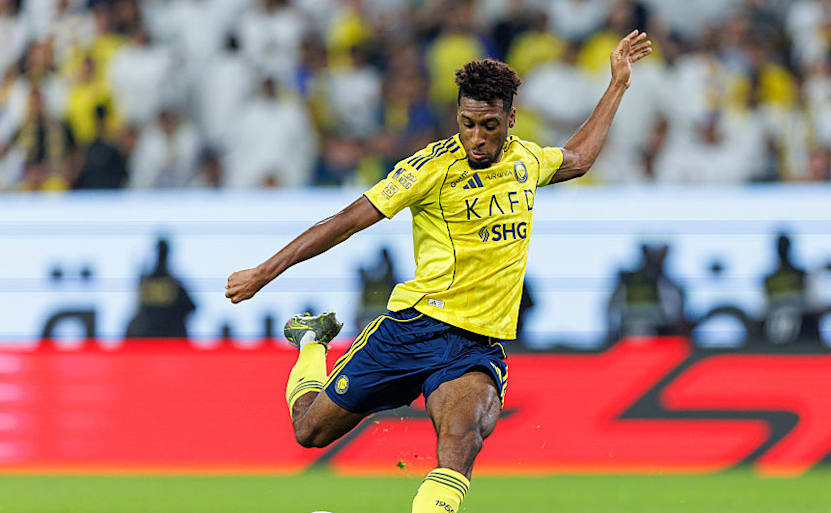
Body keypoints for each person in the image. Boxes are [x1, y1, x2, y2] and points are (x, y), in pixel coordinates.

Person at [225, 30, 651, 513]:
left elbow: (578, 158)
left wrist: (617, 84)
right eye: (467, 123)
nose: (476, 137)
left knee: (460, 444)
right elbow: (344, 223)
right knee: (309, 431)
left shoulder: (526, 160)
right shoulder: (429, 169)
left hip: (474, 346)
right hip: (414, 327)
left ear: (510, 119)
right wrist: (264, 271)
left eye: (489, 125)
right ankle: (309, 343)